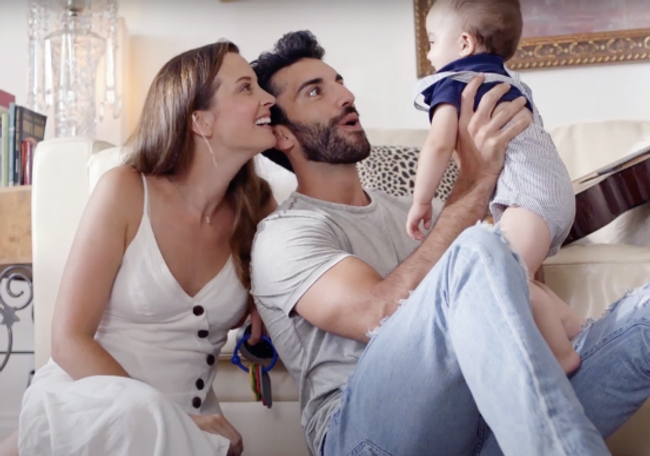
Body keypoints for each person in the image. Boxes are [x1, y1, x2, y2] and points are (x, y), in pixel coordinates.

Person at [249, 30, 650, 456]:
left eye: (339, 82)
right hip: (366, 436)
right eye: (315, 91)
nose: (345, 96)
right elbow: (375, 314)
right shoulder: (284, 234)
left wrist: (519, 177)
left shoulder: (426, 213)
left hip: (488, 416)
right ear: (284, 136)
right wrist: (475, 181)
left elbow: (520, 294)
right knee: (479, 247)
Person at [0, 41, 276, 456]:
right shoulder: (125, 190)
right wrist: (167, 418)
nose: (268, 98)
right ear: (200, 120)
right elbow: (69, 339)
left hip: (194, 427)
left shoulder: (258, 208)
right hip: (97, 409)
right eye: (246, 88)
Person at [407, 0, 581, 375]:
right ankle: (575, 327)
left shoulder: (454, 82)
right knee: (520, 275)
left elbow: (438, 144)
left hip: (527, 196)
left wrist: (421, 200)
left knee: (502, 276)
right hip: (552, 192)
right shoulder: (506, 81)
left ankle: (560, 355)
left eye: (433, 41)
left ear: (464, 43)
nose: (430, 53)